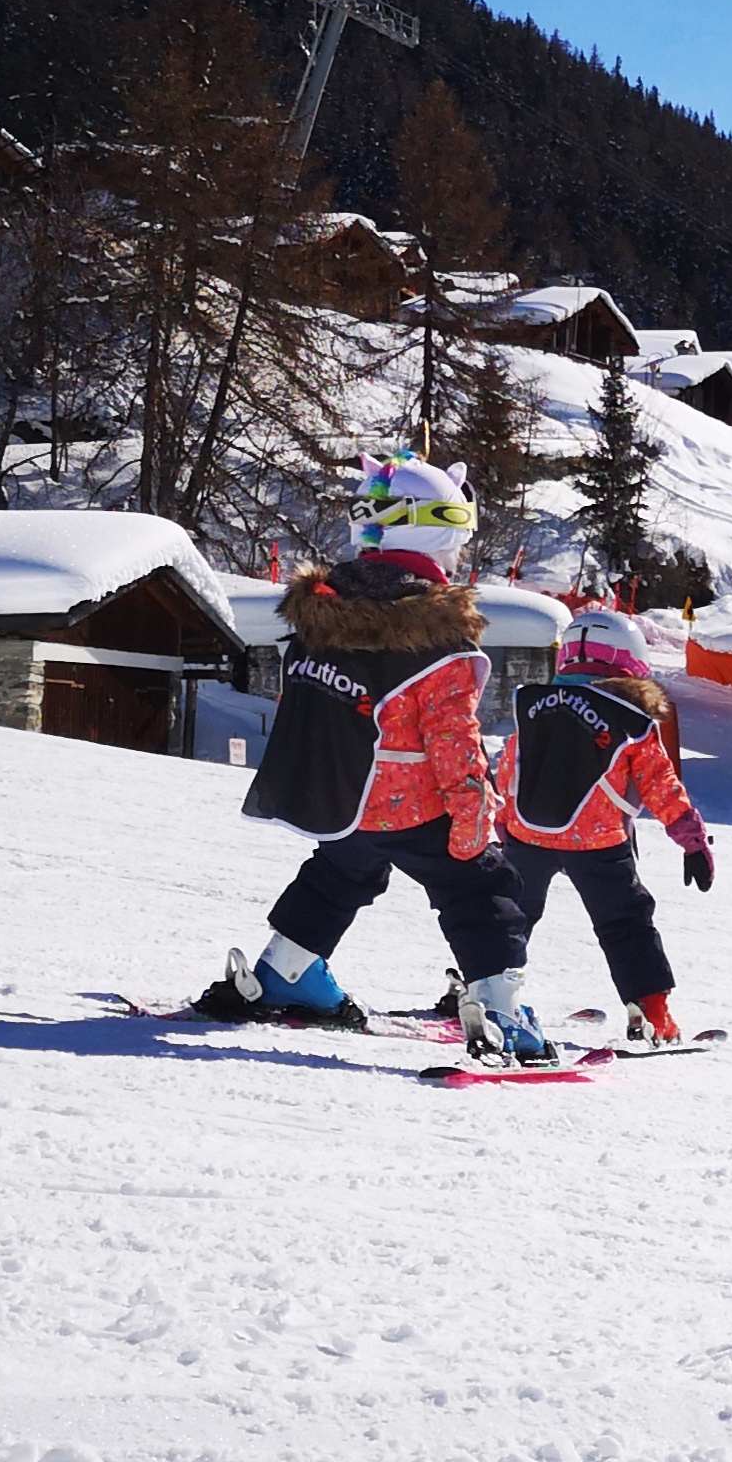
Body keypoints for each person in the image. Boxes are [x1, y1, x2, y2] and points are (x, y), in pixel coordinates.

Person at [198, 453, 552, 1065]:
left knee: (341, 872)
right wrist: (473, 810)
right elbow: (452, 732)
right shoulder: (432, 629)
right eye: (459, 539)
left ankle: (286, 971)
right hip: (413, 802)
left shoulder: (322, 617)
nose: (461, 556)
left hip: (340, 797)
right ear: (437, 532)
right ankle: (503, 1010)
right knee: (478, 886)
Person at [494, 606, 714, 1045]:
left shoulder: (532, 702)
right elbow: (660, 783)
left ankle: (486, 992)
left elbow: (510, 770)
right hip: (598, 841)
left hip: (528, 834)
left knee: (509, 915)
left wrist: (504, 823)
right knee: (625, 921)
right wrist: (692, 841)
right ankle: (650, 1011)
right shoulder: (630, 717)